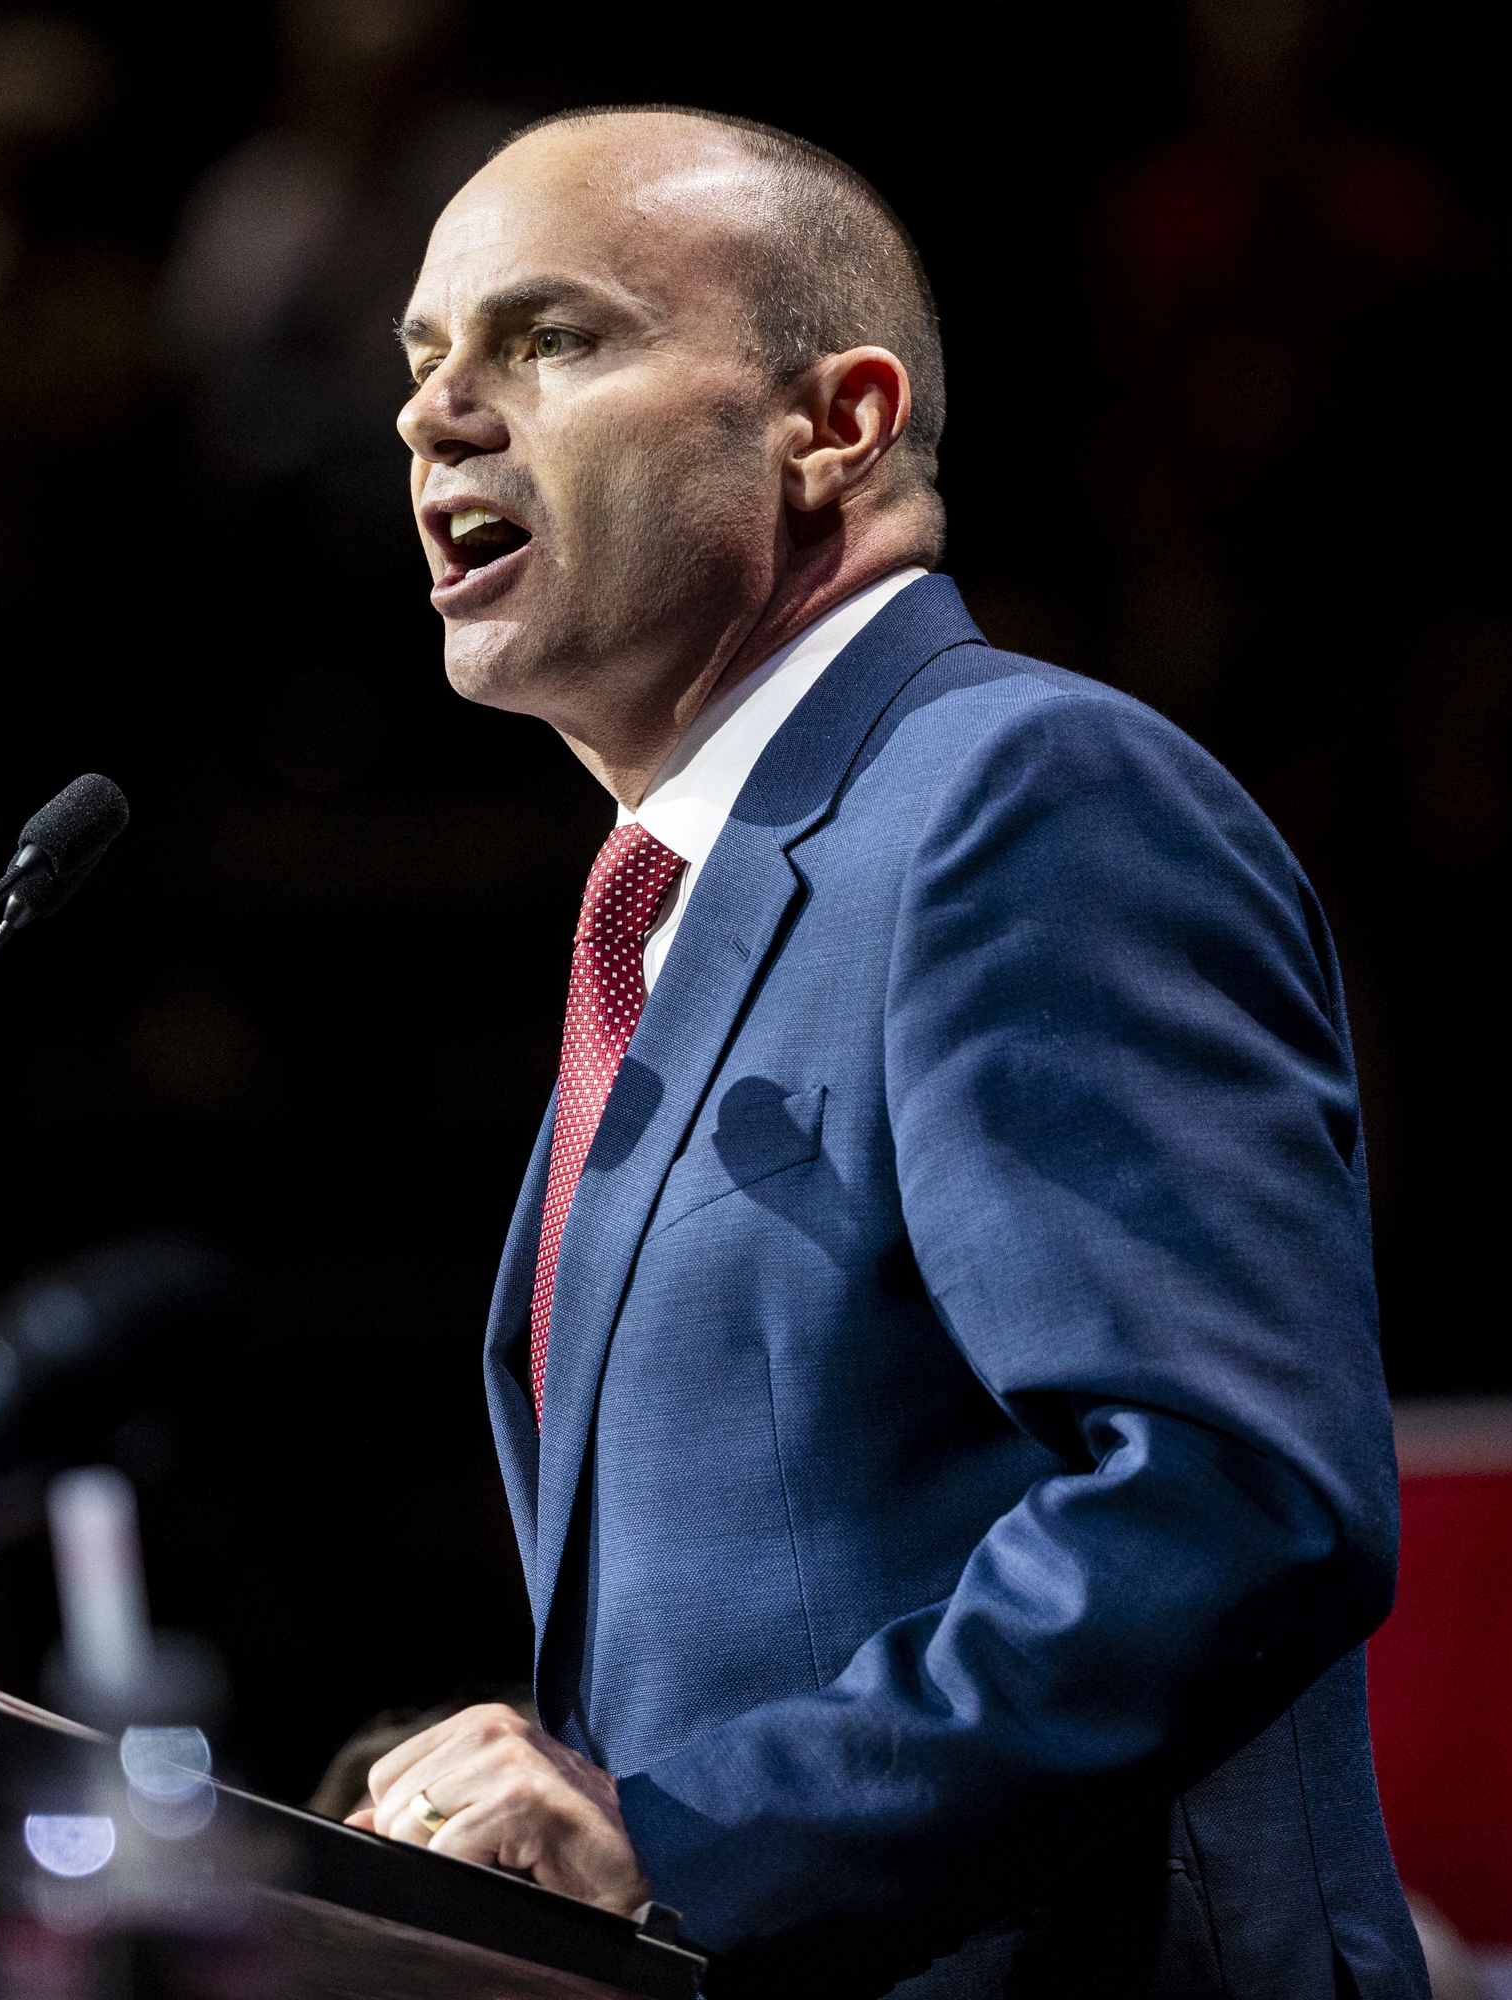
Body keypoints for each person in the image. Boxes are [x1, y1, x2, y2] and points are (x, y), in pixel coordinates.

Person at [344, 106, 1426, 1998]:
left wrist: (688, 1838)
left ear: (832, 423)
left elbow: (1231, 1491)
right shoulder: (685, 902)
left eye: (553, 338)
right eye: (425, 362)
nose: (439, 415)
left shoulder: (1023, 799)